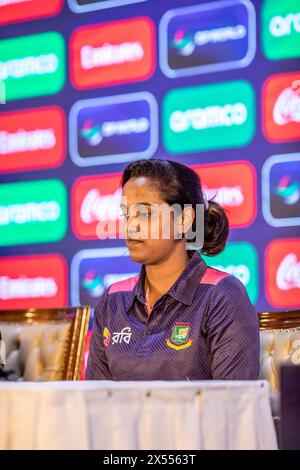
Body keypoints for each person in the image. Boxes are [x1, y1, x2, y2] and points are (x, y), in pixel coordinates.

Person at [86, 159, 259, 381]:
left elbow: (234, 406)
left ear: (184, 220)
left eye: (145, 214)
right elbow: (97, 404)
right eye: (126, 214)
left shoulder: (221, 296)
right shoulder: (113, 300)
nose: (130, 226)